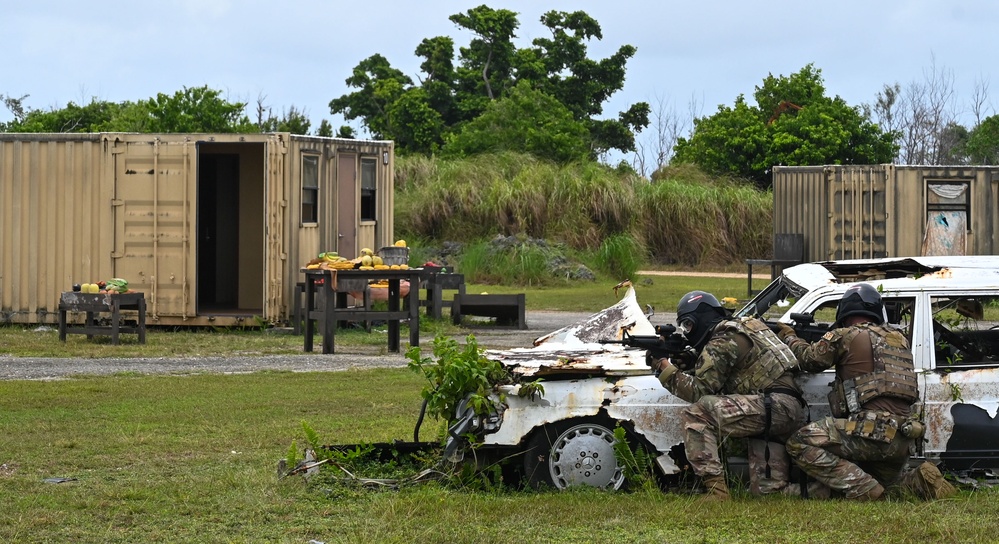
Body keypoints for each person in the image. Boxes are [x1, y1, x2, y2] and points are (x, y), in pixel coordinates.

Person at [654, 291, 807, 500]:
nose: (687, 332)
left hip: (773, 409)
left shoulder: (723, 339)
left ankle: (716, 492)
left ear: (699, 319)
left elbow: (700, 391)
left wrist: (663, 367)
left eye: (687, 325)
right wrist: (692, 360)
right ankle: (828, 491)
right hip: (782, 410)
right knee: (768, 492)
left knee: (698, 413)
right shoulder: (746, 326)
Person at [777, 283, 921, 500]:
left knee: (799, 442)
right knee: (889, 490)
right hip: (903, 437)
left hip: (871, 433)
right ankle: (921, 480)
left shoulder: (844, 335)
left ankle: (864, 489)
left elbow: (808, 360)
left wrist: (789, 336)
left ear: (844, 312)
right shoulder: (899, 339)